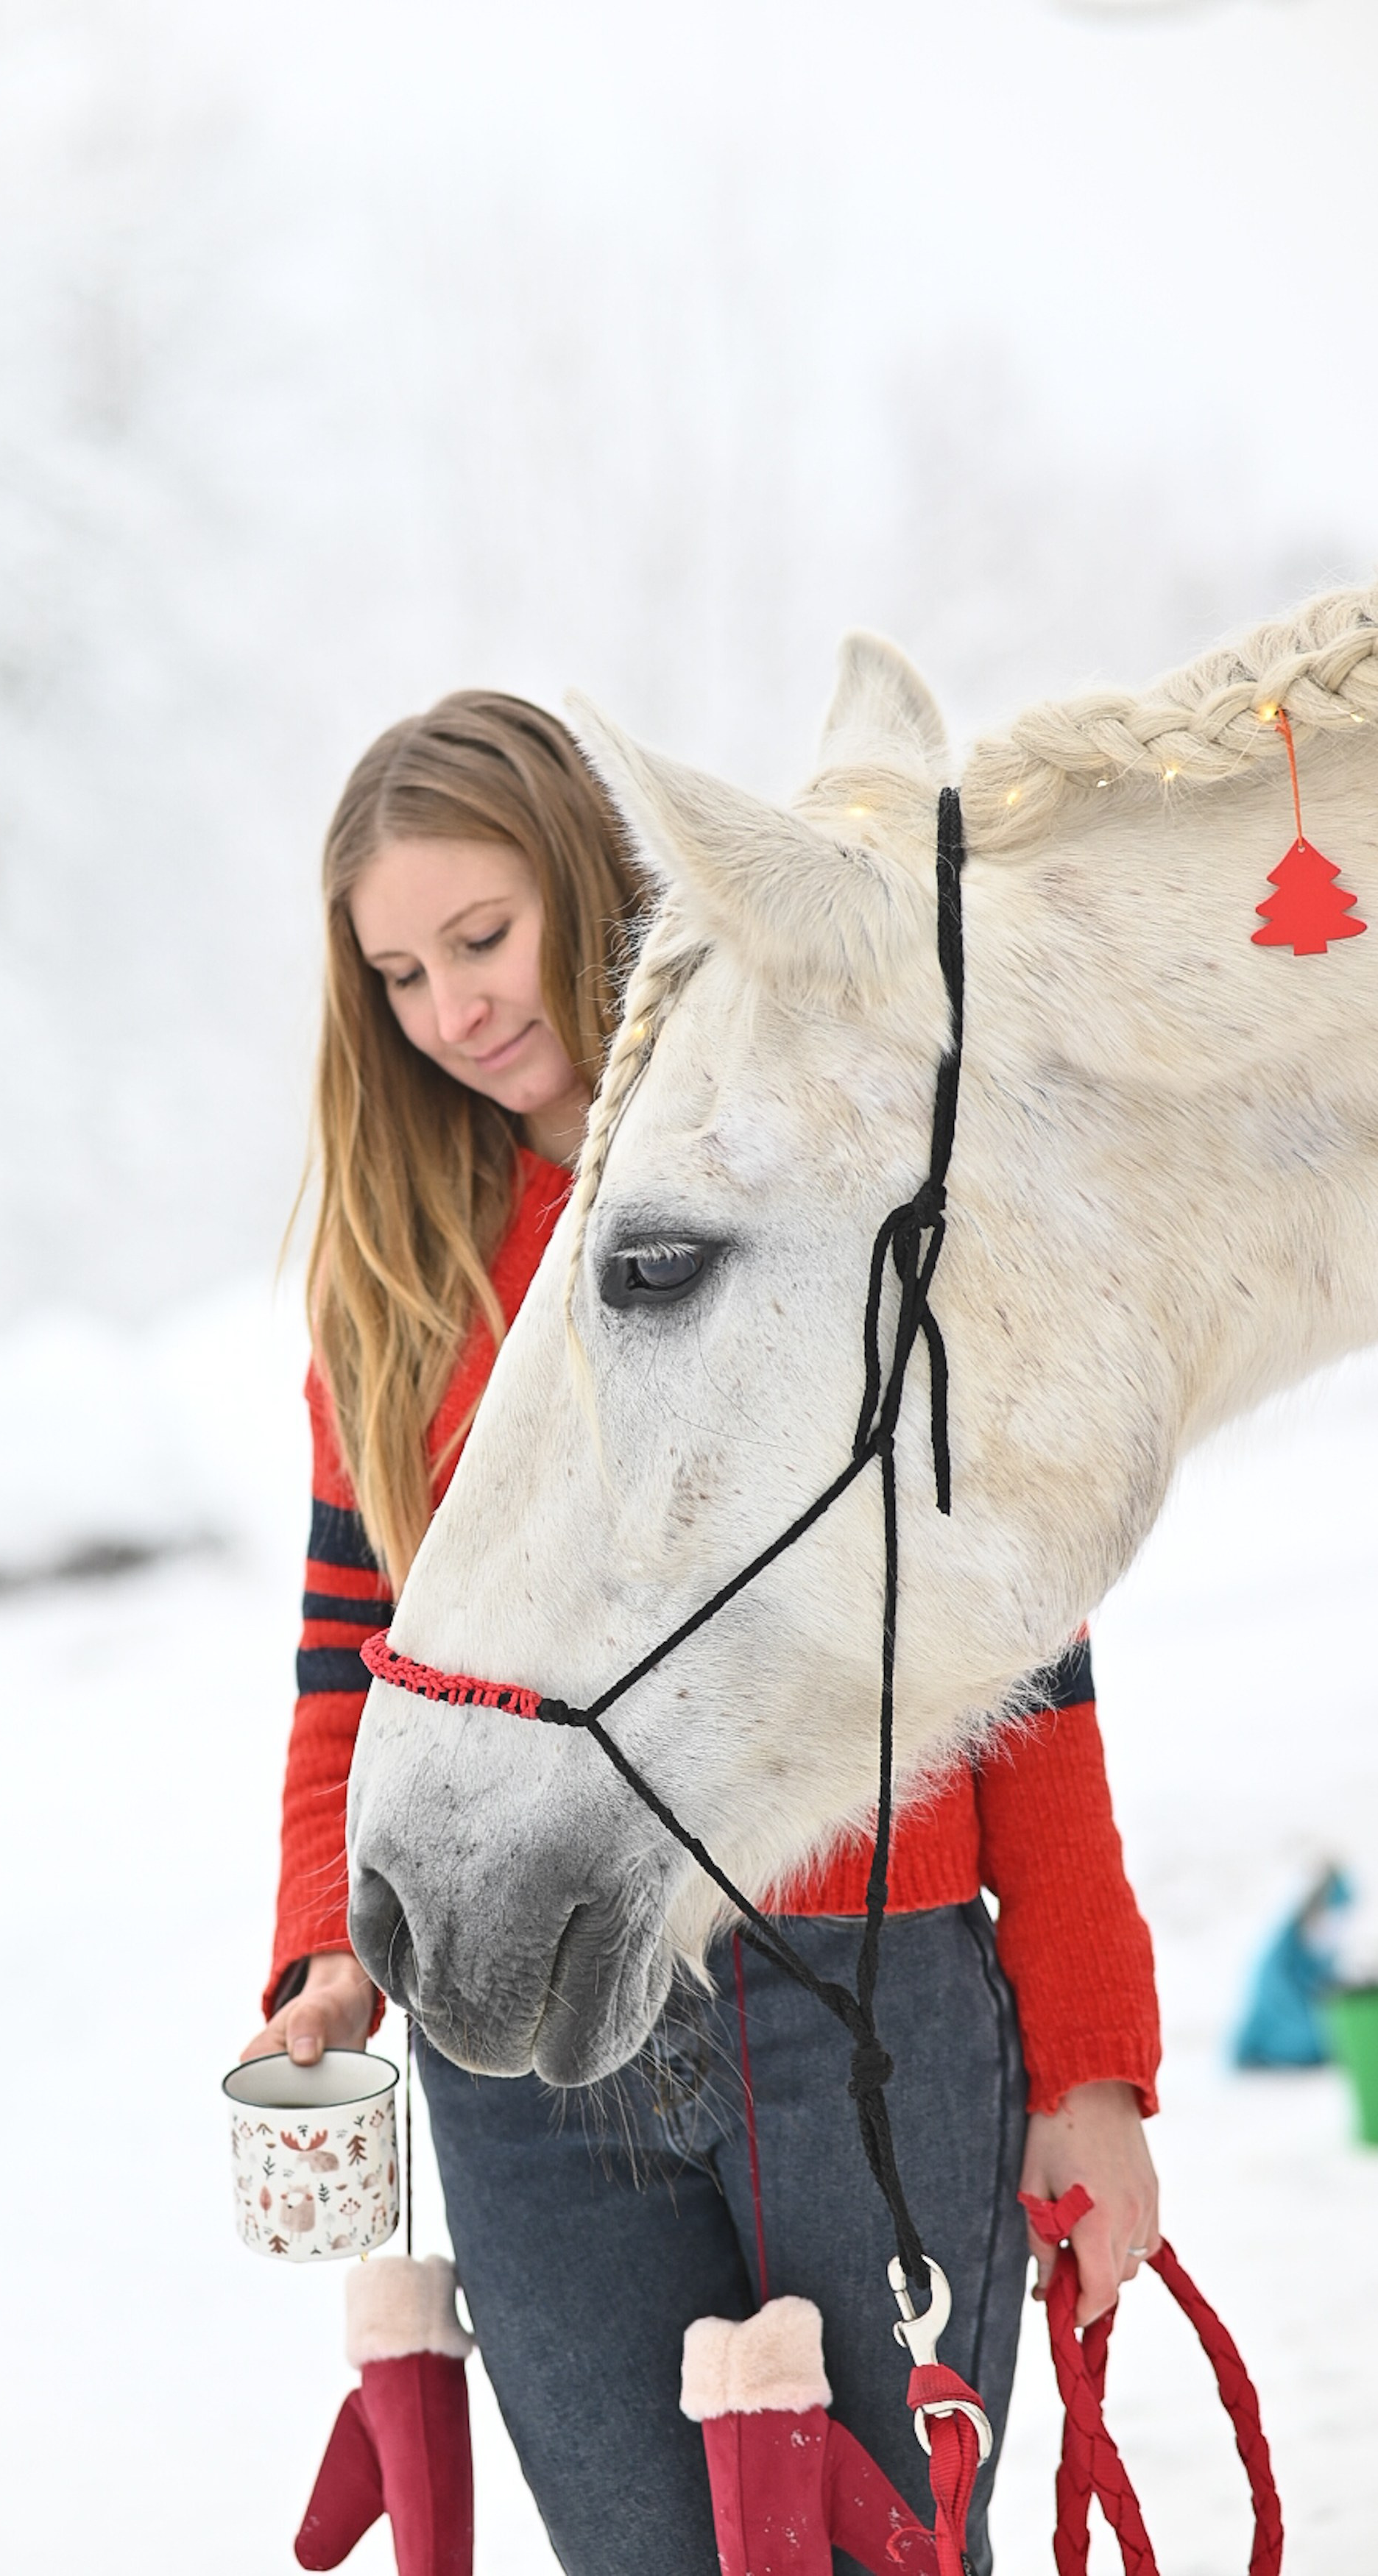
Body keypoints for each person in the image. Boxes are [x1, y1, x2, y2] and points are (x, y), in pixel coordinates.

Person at [241, 689, 1162, 2576]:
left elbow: (1024, 1664)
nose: (454, 1008)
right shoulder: (398, 1264)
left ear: (588, 882)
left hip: (869, 1999)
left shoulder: (819, 1179)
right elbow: (353, 1657)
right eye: (401, 973)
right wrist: (322, 1954)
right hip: (525, 2045)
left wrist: (1085, 2064)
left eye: (480, 939)